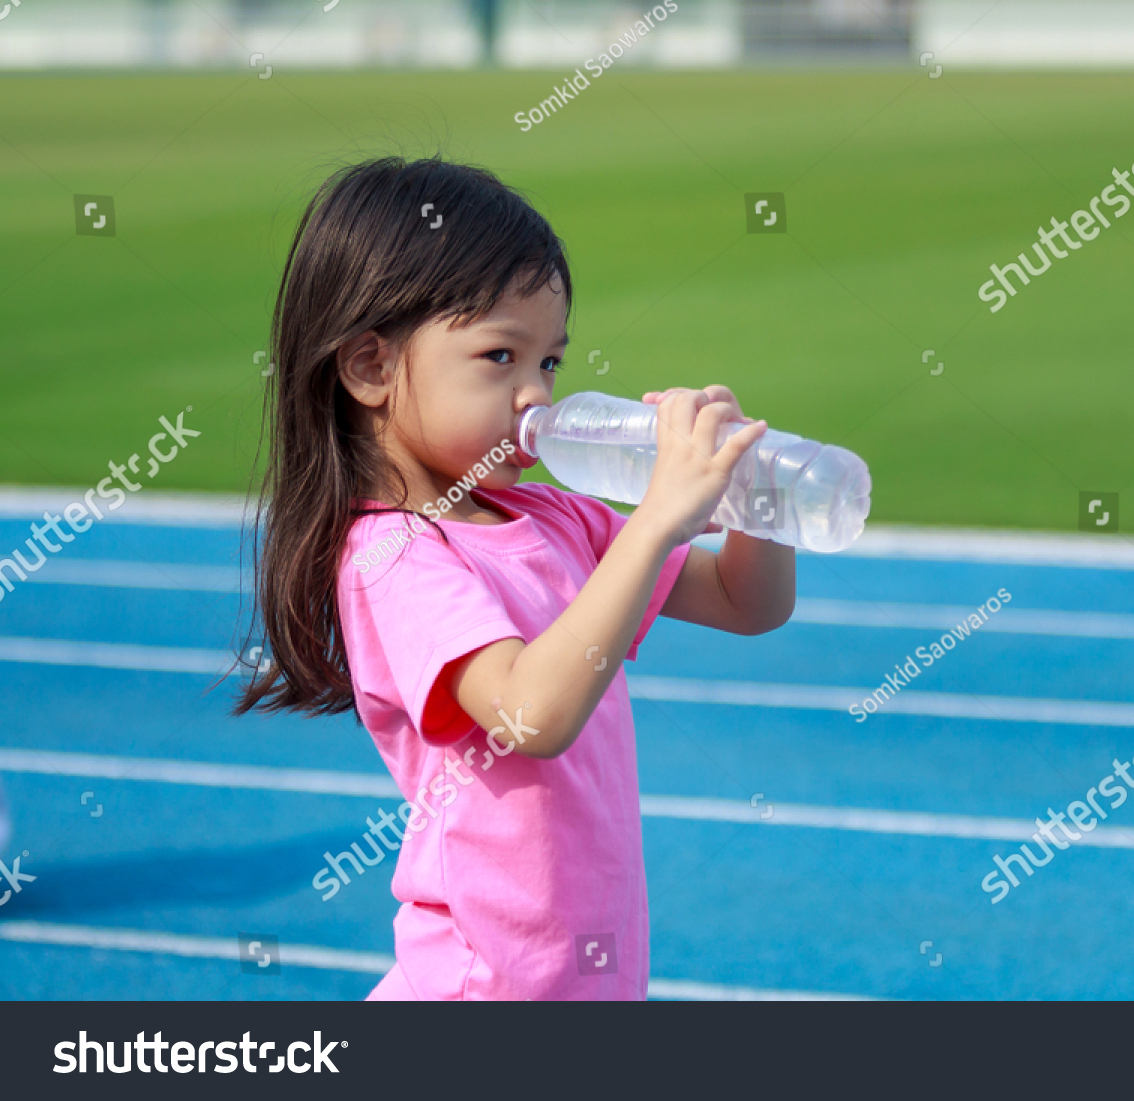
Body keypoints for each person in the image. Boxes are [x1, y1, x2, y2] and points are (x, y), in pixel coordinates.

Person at [235, 156, 795, 1000]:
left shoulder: (558, 518)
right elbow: (532, 713)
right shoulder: (392, 557)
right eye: (501, 356)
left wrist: (759, 498)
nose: (536, 397)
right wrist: (652, 523)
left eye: (552, 363)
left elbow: (747, 603)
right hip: (481, 986)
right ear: (371, 369)